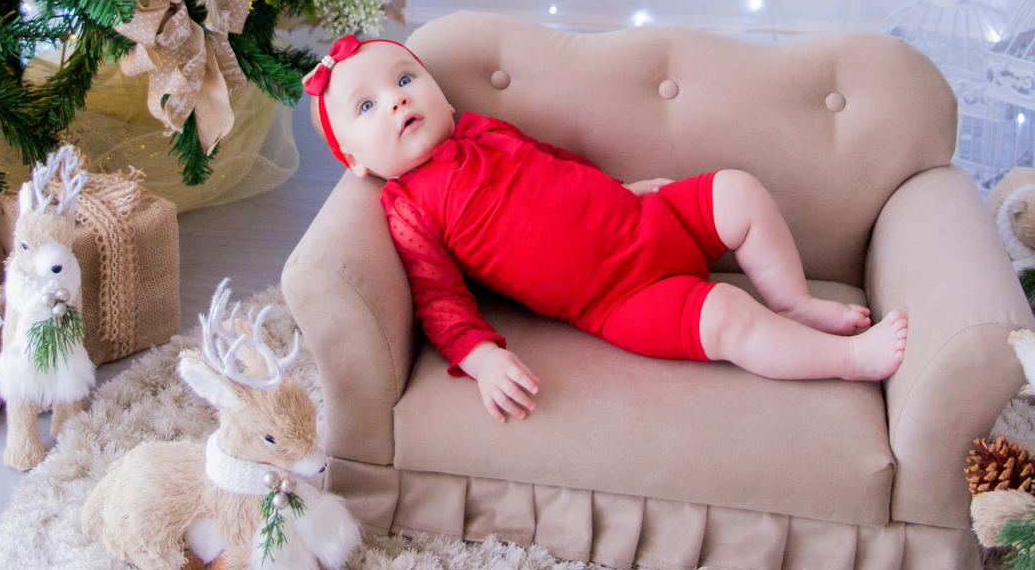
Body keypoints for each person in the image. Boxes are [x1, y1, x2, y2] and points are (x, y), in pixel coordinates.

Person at [304, 35, 908, 426]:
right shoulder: (409, 206)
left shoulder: (484, 129)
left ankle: (794, 303)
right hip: (620, 299)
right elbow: (438, 297)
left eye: (406, 80)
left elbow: (557, 166)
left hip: (647, 219)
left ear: (440, 94)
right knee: (725, 315)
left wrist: (627, 193)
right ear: (354, 162)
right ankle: (849, 359)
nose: (395, 101)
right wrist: (482, 358)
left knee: (738, 189)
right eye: (366, 107)